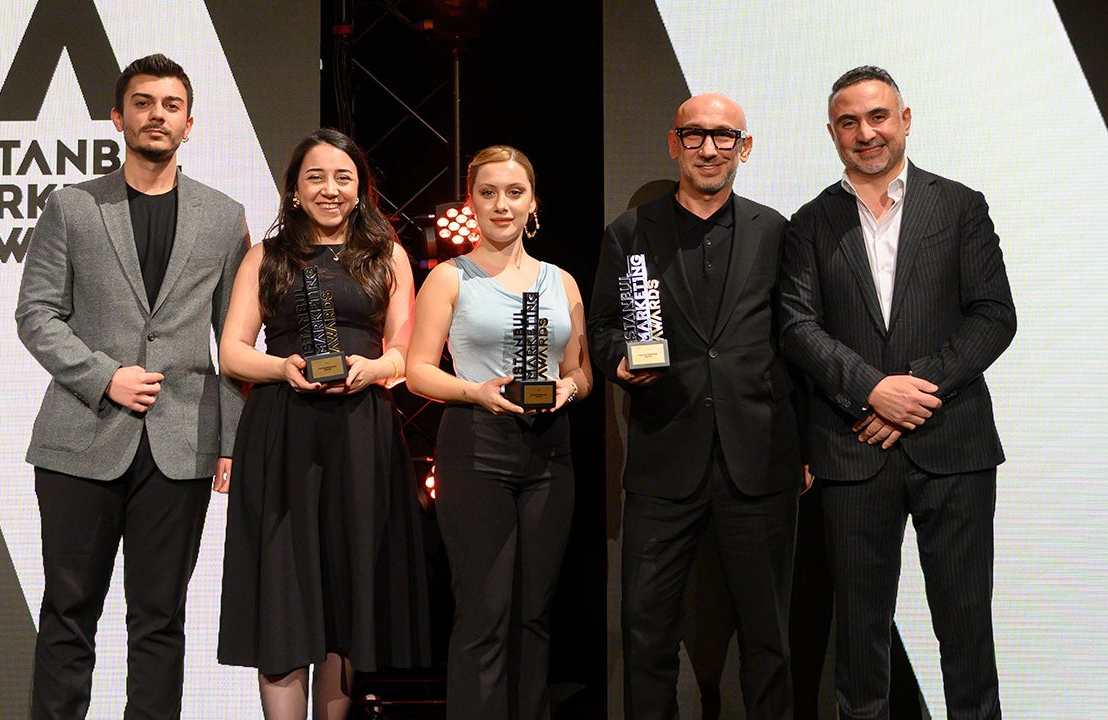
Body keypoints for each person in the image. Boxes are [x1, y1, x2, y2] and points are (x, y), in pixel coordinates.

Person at [779, 65, 1015, 719]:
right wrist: (871, 391)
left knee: (967, 631)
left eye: (878, 116)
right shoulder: (809, 223)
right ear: (832, 132)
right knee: (860, 642)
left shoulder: (960, 206)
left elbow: (994, 315)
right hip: (852, 448)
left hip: (955, 445)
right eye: (849, 122)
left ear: (904, 120)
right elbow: (796, 326)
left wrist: (912, 395)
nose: (866, 132)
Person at [16, 54, 247, 719]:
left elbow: (233, 338)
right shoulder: (73, 206)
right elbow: (36, 313)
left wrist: (230, 439)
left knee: (160, 618)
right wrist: (103, 376)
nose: (157, 115)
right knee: (69, 610)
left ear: (189, 123)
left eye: (171, 105)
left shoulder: (222, 216)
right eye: (143, 103)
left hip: (182, 442)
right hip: (80, 438)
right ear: (118, 118)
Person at [587, 94, 803, 720]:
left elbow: (796, 338)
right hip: (664, 458)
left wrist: (807, 449)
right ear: (673, 143)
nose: (709, 148)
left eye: (724, 136)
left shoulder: (775, 231)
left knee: (768, 639)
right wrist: (619, 362)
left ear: (745, 147)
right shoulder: (630, 232)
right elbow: (602, 328)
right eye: (695, 135)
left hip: (759, 460)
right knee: (647, 635)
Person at [215, 127, 431, 720]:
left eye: (343, 177)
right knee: (282, 588)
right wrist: (281, 368)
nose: (329, 189)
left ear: (360, 190)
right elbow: (232, 352)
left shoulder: (387, 255)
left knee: (347, 591)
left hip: (361, 433)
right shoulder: (267, 257)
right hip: (280, 433)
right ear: (294, 189)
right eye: (315, 177)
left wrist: (375, 368)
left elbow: (405, 352)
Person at [406, 145, 592, 720]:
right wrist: (476, 391)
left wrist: (568, 390)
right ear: (472, 202)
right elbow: (417, 371)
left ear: (533, 202)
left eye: (514, 192)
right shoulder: (449, 277)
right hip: (475, 448)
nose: (501, 204)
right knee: (484, 613)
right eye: (488, 193)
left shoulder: (562, 282)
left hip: (550, 453)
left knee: (533, 614)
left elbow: (581, 372)